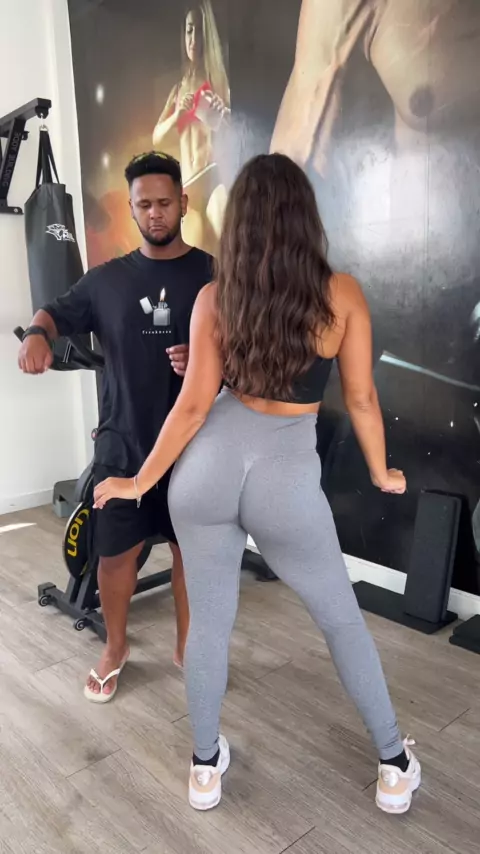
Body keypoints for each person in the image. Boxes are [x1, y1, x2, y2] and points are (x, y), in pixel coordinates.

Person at [93, 153, 421, 813]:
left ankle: (204, 768)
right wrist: (381, 471)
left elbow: (193, 407)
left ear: (238, 223)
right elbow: (361, 399)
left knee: (209, 625)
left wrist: (138, 481)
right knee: (341, 621)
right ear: (305, 218)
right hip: (284, 481)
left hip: (205, 474)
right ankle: (393, 764)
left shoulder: (216, 298)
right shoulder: (342, 294)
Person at [18, 151, 214, 700]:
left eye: (164, 202)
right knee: (113, 556)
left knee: (191, 554)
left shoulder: (214, 274)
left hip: (196, 446)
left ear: (184, 202)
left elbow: (247, 349)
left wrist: (208, 359)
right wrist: (36, 335)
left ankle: (188, 647)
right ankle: (116, 647)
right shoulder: (105, 281)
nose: (155, 213)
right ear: (131, 208)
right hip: (123, 444)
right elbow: (53, 312)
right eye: (144, 204)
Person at [152, 0, 230, 256]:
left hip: (212, 175)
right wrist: (178, 115)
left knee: (228, 254)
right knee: (195, 263)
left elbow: (232, 129)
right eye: (189, 30)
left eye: (199, 31)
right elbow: (157, 138)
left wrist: (221, 118)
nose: (193, 39)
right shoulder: (178, 89)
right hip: (188, 185)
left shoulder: (216, 79)